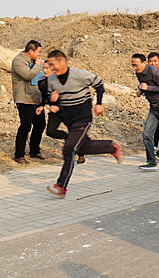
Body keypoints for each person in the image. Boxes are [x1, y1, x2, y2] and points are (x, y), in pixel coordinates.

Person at [45, 50, 124, 197]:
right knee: (85, 147)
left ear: (63, 61)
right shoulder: (52, 81)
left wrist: (99, 103)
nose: (51, 68)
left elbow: (99, 84)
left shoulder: (79, 75)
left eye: (53, 64)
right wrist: (53, 101)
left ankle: (61, 186)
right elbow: (52, 99)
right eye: (49, 65)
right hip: (69, 120)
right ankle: (112, 146)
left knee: (69, 149)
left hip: (82, 118)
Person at [36, 61, 85, 164]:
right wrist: (42, 105)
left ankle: (81, 154)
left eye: (47, 68)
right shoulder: (42, 83)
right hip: (55, 113)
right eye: (43, 68)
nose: (45, 71)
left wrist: (59, 106)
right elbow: (44, 96)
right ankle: (68, 137)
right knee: (50, 132)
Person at [11, 40, 46, 164]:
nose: (39, 54)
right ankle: (19, 154)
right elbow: (28, 75)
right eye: (38, 52)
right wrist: (38, 65)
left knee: (40, 124)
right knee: (26, 126)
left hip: (36, 97)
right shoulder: (18, 61)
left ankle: (34, 150)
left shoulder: (34, 61)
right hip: (24, 99)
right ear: (31, 51)